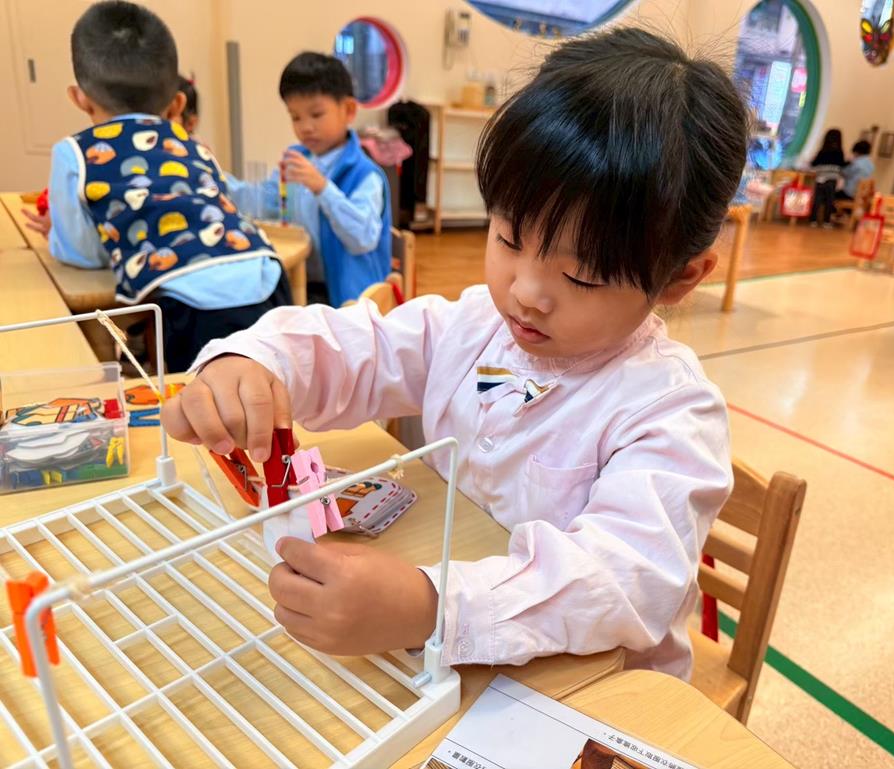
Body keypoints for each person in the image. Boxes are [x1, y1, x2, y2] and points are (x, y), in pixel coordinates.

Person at [164, 27, 748, 679]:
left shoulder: (670, 413)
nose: (525, 293)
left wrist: (433, 605)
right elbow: (366, 347)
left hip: (592, 689)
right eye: (509, 238)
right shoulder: (475, 325)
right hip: (459, 642)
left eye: (581, 276)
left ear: (679, 278)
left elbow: (621, 582)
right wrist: (253, 360)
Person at [25, 1, 289, 373]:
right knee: (276, 385)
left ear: (79, 97)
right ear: (176, 102)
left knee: (204, 401)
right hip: (266, 274)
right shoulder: (192, 144)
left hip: (191, 300)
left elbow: (82, 252)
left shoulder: (75, 153)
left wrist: (57, 233)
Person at [228, 52, 391, 307]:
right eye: (295, 117)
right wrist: (214, 177)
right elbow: (263, 200)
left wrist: (323, 188)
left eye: (316, 114)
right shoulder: (296, 159)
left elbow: (362, 239)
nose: (305, 126)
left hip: (348, 299)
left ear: (348, 110)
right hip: (301, 282)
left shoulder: (365, 175)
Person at [808, 128, 846, 227]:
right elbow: (842, 165)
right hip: (832, 180)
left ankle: (813, 220)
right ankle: (826, 221)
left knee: (817, 200)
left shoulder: (822, 151)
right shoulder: (839, 153)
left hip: (820, 179)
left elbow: (814, 164)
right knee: (829, 201)